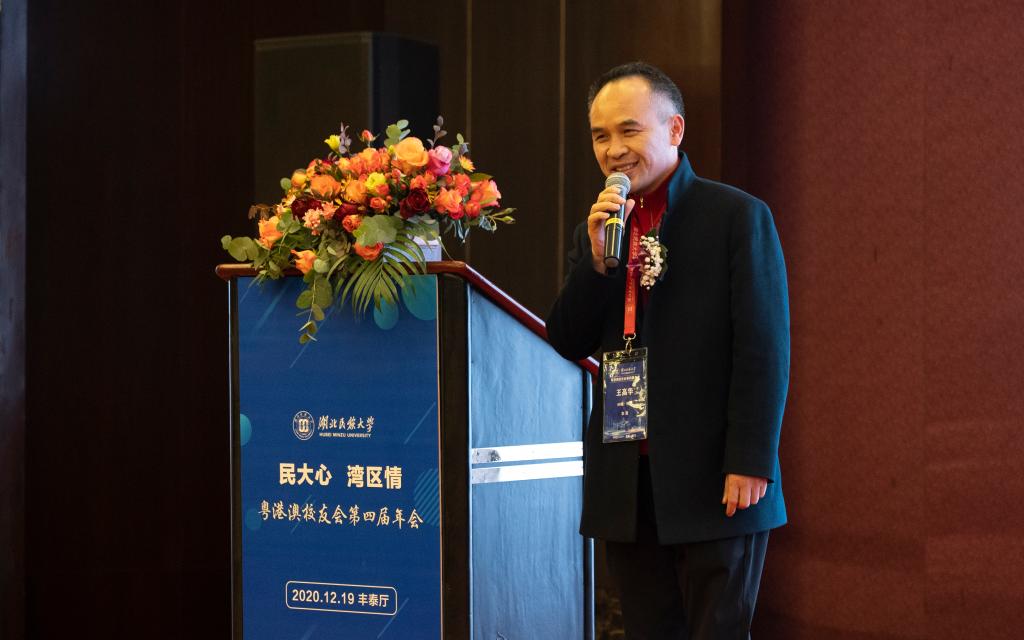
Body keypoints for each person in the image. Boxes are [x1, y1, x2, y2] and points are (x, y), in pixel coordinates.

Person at [545, 62, 790, 639]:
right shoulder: (600, 228)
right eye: (600, 136)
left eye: (628, 130)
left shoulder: (735, 216)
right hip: (627, 476)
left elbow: (764, 348)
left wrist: (751, 458)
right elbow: (567, 337)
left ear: (674, 129)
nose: (613, 150)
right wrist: (596, 265)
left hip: (718, 473)